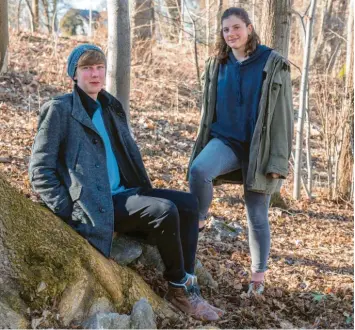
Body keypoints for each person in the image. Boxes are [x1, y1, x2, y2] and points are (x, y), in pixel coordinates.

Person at [29, 44, 223, 321]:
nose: (95, 74)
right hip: (97, 204)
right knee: (164, 210)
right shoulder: (59, 110)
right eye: (86, 68)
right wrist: (67, 209)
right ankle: (178, 290)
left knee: (190, 204)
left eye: (99, 67)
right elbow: (39, 170)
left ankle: (189, 285)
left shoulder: (110, 106)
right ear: (73, 74)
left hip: (127, 190)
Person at [187, 8, 293, 295]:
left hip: (260, 148)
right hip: (226, 141)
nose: (231, 34)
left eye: (236, 27)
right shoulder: (217, 64)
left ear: (249, 27)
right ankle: (198, 220)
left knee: (256, 213)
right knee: (198, 170)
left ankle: (257, 279)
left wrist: (278, 161)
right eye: (226, 30)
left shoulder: (272, 63)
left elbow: (283, 116)